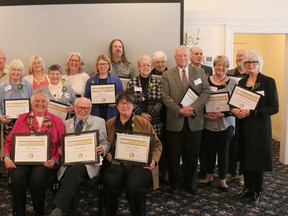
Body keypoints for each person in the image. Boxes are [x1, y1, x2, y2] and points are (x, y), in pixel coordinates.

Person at [3, 89, 65, 216]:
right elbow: (9, 140)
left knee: (37, 180)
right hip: (21, 159)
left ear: (48, 104)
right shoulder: (22, 118)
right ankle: (19, 213)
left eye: (43, 101)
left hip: (44, 161)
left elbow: (61, 145)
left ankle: (39, 212)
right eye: (37, 101)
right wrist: (6, 157)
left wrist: (54, 160)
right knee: (17, 179)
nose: (40, 103)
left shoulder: (57, 121)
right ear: (32, 103)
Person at [103, 90, 162, 216]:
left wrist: (154, 160)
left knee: (134, 186)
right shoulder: (110, 123)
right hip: (116, 163)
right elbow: (106, 144)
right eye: (122, 103)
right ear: (117, 105)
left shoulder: (143, 122)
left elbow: (157, 144)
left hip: (139, 164)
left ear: (133, 105)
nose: (125, 106)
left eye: (128, 103)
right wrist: (108, 154)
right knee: (110, 182)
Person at [161, 45, 210, 194]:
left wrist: (193, 108)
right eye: (179, 56)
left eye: (185, 56)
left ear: (189, 57)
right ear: (175, 58)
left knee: (192, 156)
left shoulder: (200, 72)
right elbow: (165, 96)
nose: (183, 58)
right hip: (175, 122)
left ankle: (190, 183)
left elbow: (206, 92)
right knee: (174, 157)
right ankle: (175, 184)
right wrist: (179, 110)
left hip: (194, 122)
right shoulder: (167, 74)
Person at [232, 51, 278, 206]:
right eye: (247, 63)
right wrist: (235, 110)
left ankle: (257, 190)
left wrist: (253, 112)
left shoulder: (268, 82)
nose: (250, 65)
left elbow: (274, 108)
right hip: (243, 126)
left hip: (259, 128)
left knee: (256, 159)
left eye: (254, 62)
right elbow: (234, 102)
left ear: (259, 64)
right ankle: (247, 189)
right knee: (245, 158)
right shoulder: (241, 82)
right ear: (243, 65)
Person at [50, 97, 110, 216]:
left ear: (91, 109)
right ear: (74, 108)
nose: (83, 110)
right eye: (79, 107)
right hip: (70, 163)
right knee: (73, 173)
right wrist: (61, 150)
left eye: (86, 108)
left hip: (89, 164)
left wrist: (102, 148)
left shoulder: (99, 121)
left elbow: (105, 142)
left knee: (74, 171)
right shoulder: (65, 123)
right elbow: (61, 143)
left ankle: (58, 209)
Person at [199, 55, 236, 192]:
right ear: (214, 66)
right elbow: (200, 100)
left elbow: (236, 104)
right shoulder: (206, 81)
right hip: (208, 122)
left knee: (223, 151)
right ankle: (208, 176)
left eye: (224, 65)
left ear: (227, 68)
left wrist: (223, 114)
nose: (220, 67)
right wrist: (205, 113)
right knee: (209, 151)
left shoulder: (232, 82)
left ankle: (222, 179)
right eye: (218, 65)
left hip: (226, 123)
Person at [226, 49, 249, 186]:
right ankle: (231, 172)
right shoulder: (228, 73)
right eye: (238, 56)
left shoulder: (251, 75)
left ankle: (242, 174)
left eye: (242, 56)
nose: (239, 58)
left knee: (244, 146)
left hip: (247, 117)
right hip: (232, 115)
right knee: (231, 146)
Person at [126, 54, 162, 135]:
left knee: (153, 145)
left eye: (148, 65)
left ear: (152, 67)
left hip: (153, 120)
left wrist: (149, 115)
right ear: (139, 67)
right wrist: (141, 114)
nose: (146, 67)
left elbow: (160, 102)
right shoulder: (131, 83)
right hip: (136, 119)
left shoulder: (157, 83)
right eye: (143, 65)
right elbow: (129, 102)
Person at [0, 59, 33, 140]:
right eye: (13, 69)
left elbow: (33, 103)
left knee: (24, 145)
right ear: (9, 71)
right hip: (8, 122)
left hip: (25, 122)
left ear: (22, 72)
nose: (16, 72)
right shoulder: (2, 86)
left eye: (19, 70)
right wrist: (0, 117)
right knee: (9, 148)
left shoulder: (28, 85)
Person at [84, 54, 123, 121]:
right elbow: (86, 98)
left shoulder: (116, 80)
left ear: (109, 65)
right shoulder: (90, 81)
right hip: (95, 111)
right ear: (97, 65)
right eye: (100, 64)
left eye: (105, 64)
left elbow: (122, 98)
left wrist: (116, 103)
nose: (102, 66)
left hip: (112, 112)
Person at [151, 50, 169, 182]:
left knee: (166, 144)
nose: (160, 64)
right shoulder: (148, 75)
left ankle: (166, 171)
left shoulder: (171, 74)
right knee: (154, 144)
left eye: (162, 61)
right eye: (157, 62)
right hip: (153, 116)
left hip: (168, 113)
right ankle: (153, 173)